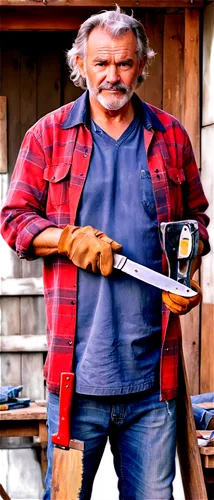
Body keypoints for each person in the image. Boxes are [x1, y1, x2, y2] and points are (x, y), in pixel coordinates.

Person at [0, 5, 210, 499]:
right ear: (81, 65)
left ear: (142, 66)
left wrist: (185, 272)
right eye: (101, 63)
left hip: (151, 383)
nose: (112, 76)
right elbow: (13, 222)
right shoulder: (47, 136)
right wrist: (68, 238)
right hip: (75, 382)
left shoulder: (172, 136)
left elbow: (196, 222)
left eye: (124, 63)